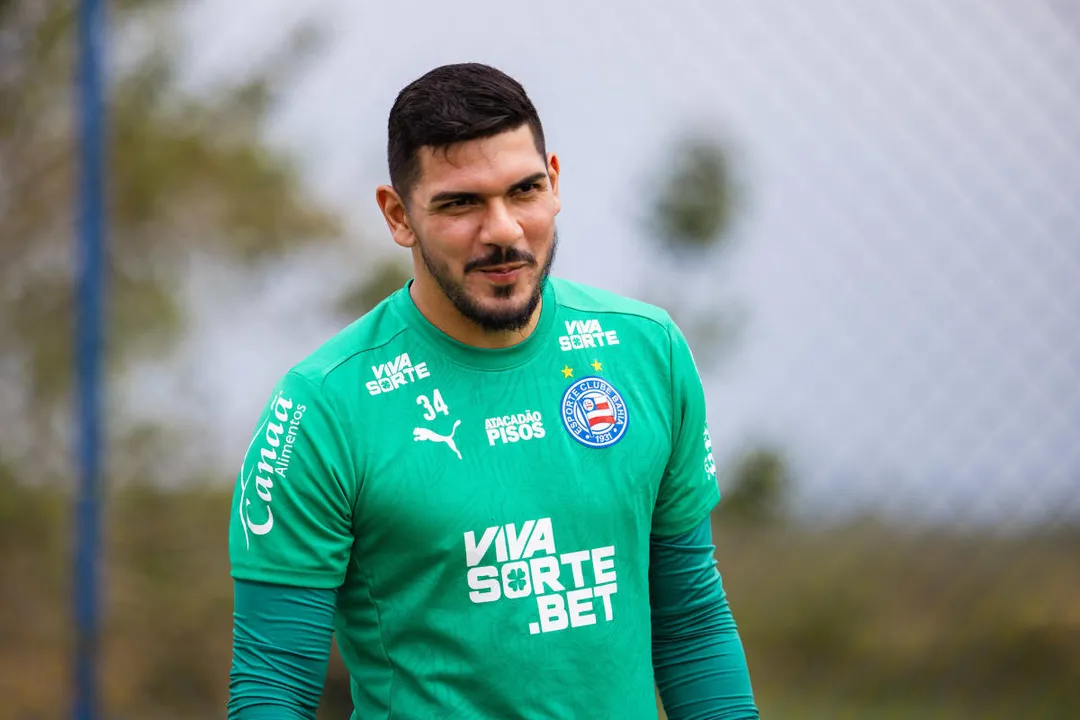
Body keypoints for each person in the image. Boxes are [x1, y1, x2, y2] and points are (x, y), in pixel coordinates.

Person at [226, 62, 759, 719]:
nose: (503, 230)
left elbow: (692, 624)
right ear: (399, 216)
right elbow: (271, 685)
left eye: (524, 191)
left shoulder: (649, 353)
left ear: (555, 183)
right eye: (461, 203)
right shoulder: (323, 407)